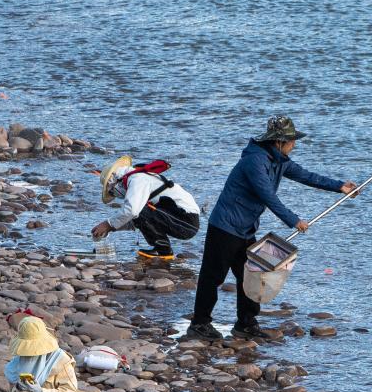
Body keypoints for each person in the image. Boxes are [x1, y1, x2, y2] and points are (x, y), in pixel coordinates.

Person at [186, 116, 356, 341]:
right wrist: (293, 220)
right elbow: (267, 195)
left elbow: (307, 176)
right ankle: (199, 324)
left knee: (251, 275)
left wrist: (339, 186)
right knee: (213, 276)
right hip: (225, 226)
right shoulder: (254, 161)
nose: (294, 144)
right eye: (291, 141)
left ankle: (246, 324)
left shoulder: (280, 160)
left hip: (246, 228)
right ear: (278, 141)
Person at [91, 156, 201, 260]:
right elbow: (138, 220)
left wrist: (108, 224)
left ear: (114, 180)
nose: (116, 195)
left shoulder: (137, 179)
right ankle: (162, 249)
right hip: (182, 220)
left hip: (186, 221)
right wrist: (112, 228)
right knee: (141, 210)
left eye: (112, 191)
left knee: (140, 209)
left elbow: (133, 211)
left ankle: (163, 250)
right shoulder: (139, 177)